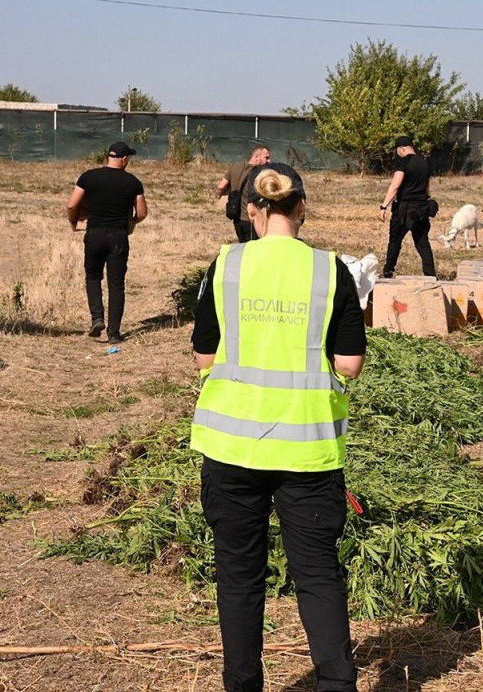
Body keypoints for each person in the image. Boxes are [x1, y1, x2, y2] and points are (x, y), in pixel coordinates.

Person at [191, 163, 366, 692]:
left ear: (251, 211)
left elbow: (203, 358)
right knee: (317, 576)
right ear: (302, 208)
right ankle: (337, 683)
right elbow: (350, 364)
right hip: (307, 451)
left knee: (240, 579)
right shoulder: (329, 270)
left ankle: (242, 684)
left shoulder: (225, 266)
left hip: (231, 449)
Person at [66, 141, 148, 343]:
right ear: (124, 158)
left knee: (93, 276)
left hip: (94, 234)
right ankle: (114, 333)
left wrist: (73, 220)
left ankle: (97, 317)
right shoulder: (133, 182)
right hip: (118, 237)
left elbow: (71, 204)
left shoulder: (88, 177)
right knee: (116, 284)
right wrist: (132, 221)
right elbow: (142, 212)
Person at [379, 135, 436, 278]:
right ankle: (430, 275)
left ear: (401, 148)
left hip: (404, 210)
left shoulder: (403, 162)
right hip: (421, 208)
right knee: (422, 243)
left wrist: (384, 206)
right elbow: (427, 188)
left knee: (395, 241)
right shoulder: (425, 163)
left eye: (397, 151)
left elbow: (395, 186)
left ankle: (388, 271)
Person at [217, 145, 271, 243]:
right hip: (251, 219)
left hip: (236, 217)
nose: (269, 161)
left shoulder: (235, 166)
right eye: (266, 158)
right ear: (256, 157)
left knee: (243, 246)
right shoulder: (260, 174)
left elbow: (221, 186)